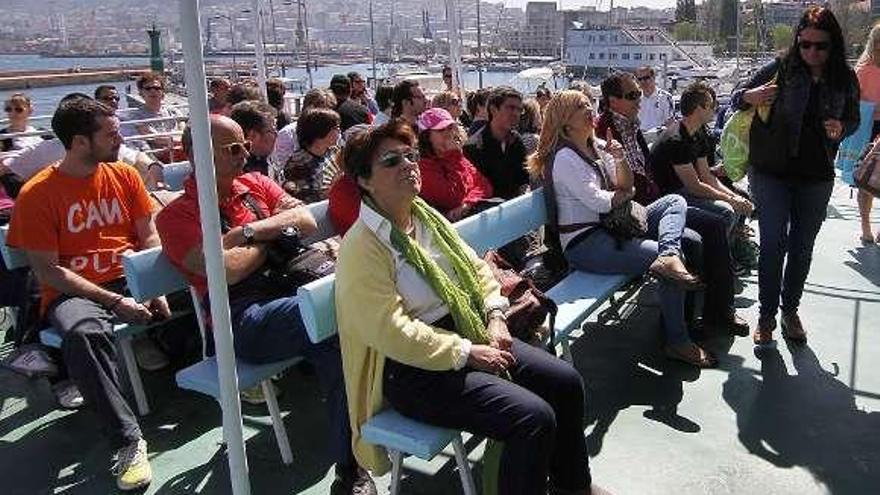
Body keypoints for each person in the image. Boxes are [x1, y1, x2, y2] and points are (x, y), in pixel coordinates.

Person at [334, 119, 611, 495]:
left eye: (411, 155)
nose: (408, 165)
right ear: (364, 180)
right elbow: (390, 331)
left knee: (565, 383)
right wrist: (466, 353)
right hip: (414, 369)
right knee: (531, 418)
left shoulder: (425, 218)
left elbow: (478, 270)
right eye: (391, 161)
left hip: (468, 332)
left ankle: (573, 485)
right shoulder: (363, 246)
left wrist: (496, 317)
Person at [155, 115, 377, 495]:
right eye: (231, 149)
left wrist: (247, 232)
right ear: (196, 155)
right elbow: (227, 272)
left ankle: (352, 462)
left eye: (243, 144)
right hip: (241, 320)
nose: (244, 154)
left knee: (336, 341)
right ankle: (355, 461)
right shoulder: (177, 217)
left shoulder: (255, 184)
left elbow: (304, 218)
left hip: (288, 293)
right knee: (328, 312)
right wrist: (274, 238)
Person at [6, 97, 168, 491]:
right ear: (80, 142)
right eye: (110, 134)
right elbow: (48, 271)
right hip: (72, 291)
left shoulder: (125, 176)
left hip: (129, 276)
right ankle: (128, 440)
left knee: (205, 286)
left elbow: (147, 234)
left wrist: (155, 283)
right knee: (82, 334)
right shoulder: (38, 194)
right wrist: (114, 301)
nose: (119, 139)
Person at [530, 90, 715, 367]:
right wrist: (622, 192)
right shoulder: (565, 158)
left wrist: (619, 158)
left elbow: (626, 185)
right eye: (581, 106)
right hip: (586, 243)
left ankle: (669, 254)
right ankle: (678, 341)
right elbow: (601, 202)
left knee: (674, 202)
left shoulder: (595, 146)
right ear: (566, 121)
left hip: (614, 226)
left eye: (588, 103)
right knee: (673, 255)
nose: (590, 108)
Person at [731, 6, 859, 346]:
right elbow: (734, 100)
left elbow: (854, 119)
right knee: (773, 244)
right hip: (771, 172)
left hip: (816, 176)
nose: (812, 53)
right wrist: (749, 96)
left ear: (834, 45)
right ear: (797, 42)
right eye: (805, 45)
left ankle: (790, 311)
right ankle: (767, 316)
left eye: (821, 46)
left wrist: (841, 127)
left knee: (802, 248)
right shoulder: (780, 69)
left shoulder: (844, 78)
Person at [597, 73, 749, 338]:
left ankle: (717, 308)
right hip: (630, 214)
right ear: (613, 101)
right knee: (694, 239)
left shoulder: (632, 127)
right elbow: (612, 188)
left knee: (714, 224)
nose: (640, 99)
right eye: (633, 95)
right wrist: (731, 199)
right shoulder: (605, 132)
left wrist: (732, 197)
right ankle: (683, 327)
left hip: (651, 204)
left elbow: (703, 175)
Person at [1, 93, 165, 191]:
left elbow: (137, 157)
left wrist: (154, 167)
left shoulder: (118, 167)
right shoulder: (45, 151)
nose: (120, 140)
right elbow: (8, 167)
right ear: (80, 140)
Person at [651, 82, 753, 236]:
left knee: (739, 202)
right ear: (699, 108)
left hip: (687, 190)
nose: (715, 108)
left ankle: (732, 249)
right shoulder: (677, 139)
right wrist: (731, 200)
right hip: (672, 196)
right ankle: (719, 257)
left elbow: (707, 176)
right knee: (727, 211)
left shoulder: (699, 134)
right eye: (712, 105)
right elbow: (694, 186)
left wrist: (734, 197)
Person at [416, 108, 493, 221]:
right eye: (441, 130)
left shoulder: (456, 157)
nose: (448, 134)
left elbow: (484, 186)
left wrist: (467, 204)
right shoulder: (423, 166)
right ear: (427, 136)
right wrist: (453, 155)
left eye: (450, 128)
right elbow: (453, 199)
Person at [463, 86, 530, 200]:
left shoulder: (516, 141)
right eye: (510, 108)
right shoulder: (474, 146)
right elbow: (475, 189)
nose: (516, 114)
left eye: (519, 109)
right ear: (493, 109)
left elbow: (524, 178)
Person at [282, 108, 342, 203]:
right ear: (321, 131)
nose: (339, 131)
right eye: (335, 128)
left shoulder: (335, 152)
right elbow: (303, 199)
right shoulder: (297, 164)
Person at [271, 88, 337, 169]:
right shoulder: (287, 135)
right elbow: (281, 167)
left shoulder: (334, 133)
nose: (329, 118)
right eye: (323, 115)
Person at [856, 23, 880, 244]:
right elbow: (853, 102)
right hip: (870, 130)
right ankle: (865, 225)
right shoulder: (863, 71)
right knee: (867, 179)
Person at [124, 73, 183, 161]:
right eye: (148, 88)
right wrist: (183, 142)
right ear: (141, 92)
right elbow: (156, 139)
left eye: (157, 88)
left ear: (163, 91)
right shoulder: (136, 116)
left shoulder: (173, 111)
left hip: (180, 149)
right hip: (159, 156)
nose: (153, 91)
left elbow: (184, 130)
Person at [228, 100, 278, 177]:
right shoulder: (240, 171)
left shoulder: (265, 159)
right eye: (271, 131)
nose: (276, 135)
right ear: (252, 135)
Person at [634, 66, 674, 132]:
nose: (643, 81)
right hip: (639, 137)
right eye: (640, 79)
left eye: (646, 78)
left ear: (654, 77)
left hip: (658, 137)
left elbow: (670, 122)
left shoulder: (665, 97)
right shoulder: (634, 98)